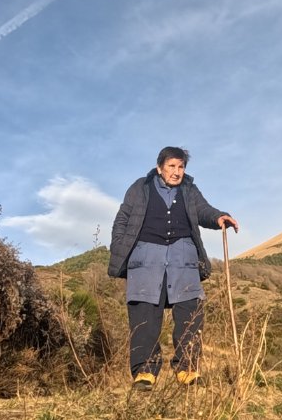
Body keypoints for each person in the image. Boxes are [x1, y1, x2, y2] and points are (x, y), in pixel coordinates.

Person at [108, 146, 239, 391]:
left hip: (183, 259)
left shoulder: (189, 190)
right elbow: (122, 219)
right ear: (159, 168)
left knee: (190, 313)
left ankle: (187, 369)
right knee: (144, 316)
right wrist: (120, 247)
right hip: (146, 260)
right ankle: (145, 372)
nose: (176, 172)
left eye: (181, 167)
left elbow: (203, 210)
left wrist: (220, 216)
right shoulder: (140, 187)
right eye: (171, 166)